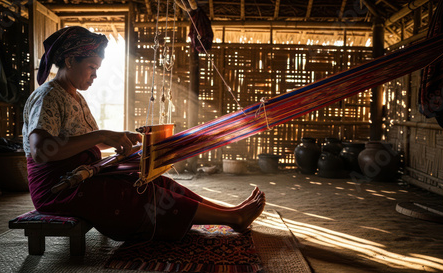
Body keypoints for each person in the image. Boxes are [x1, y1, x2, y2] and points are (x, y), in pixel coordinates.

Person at [22, 26, 265, 242]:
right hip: (58, 187)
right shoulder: (48, 96)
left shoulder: (75, 96)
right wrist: (100, 136)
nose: (95, 75)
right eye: (91, 67)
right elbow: (42, 151)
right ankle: (233, 217)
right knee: (139, 193)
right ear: (70, 60)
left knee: (152, 180)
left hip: (81, 175)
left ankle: (231, 213)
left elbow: (79, 143)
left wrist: (117, 138)